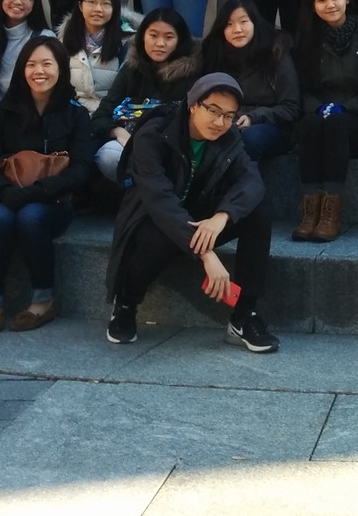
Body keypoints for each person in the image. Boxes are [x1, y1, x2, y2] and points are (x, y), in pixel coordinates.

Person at [104, 73, 278, 353]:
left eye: (229, 115)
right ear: (194, 104)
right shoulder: (154, 133)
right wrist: (206, 253)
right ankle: (126, 303)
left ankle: (244, 315)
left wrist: (222, 217)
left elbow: (252, 181)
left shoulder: (228, 136)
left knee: (258, 209)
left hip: (201, 212)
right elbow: (158, 200)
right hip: (152, 217)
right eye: (213, 110)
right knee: (158, 236)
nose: (220, 122)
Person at [0, 39, 97, 333]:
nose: (38, 71)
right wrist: (4, 191)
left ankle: (43, 301)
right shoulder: (3, 111)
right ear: (21, 69)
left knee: (31, 217)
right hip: (6, 193)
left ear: (60, 69)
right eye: (31, 64)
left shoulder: (75, 114)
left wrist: (41, 190)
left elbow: (82, 169)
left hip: (52, 200)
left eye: (47, 64)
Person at [290, 0, 358, 243]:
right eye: (322, 0)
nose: (329, 4)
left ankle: (330, 215)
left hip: (357, 117)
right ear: (313, 5)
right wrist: (318, 108)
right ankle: (309, 213)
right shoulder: (307, 37)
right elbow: (301, 89)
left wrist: (344, 107)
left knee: (335, 123)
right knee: (310, 123)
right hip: (318, 114)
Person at [91, 7, 199, 181]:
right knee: (108, 156)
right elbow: (101, 115)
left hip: (175, 147)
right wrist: (119, 132)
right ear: (142, 36)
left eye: (169, 37)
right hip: (132, 141)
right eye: (153, 35)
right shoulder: (132, 68)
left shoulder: (193, 72)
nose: (160, 43)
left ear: (180, 40)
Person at [199, 0, 300, 163]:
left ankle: (244, 189)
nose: (237, 29)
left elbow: (291, 107)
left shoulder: (276, 51)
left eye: (243, 22)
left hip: (272, 126)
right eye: (229, 24)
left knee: (247, 139)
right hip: (225, 122)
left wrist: (255, 117)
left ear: (254, 23)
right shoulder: (215, 54)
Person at [59, 0, 128, 113]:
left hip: (110, 113)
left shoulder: (128, 43)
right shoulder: (65, 39)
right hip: (72, 112)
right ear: (80, 6)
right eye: (91, 2)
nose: (98, 9)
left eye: (106, 3)